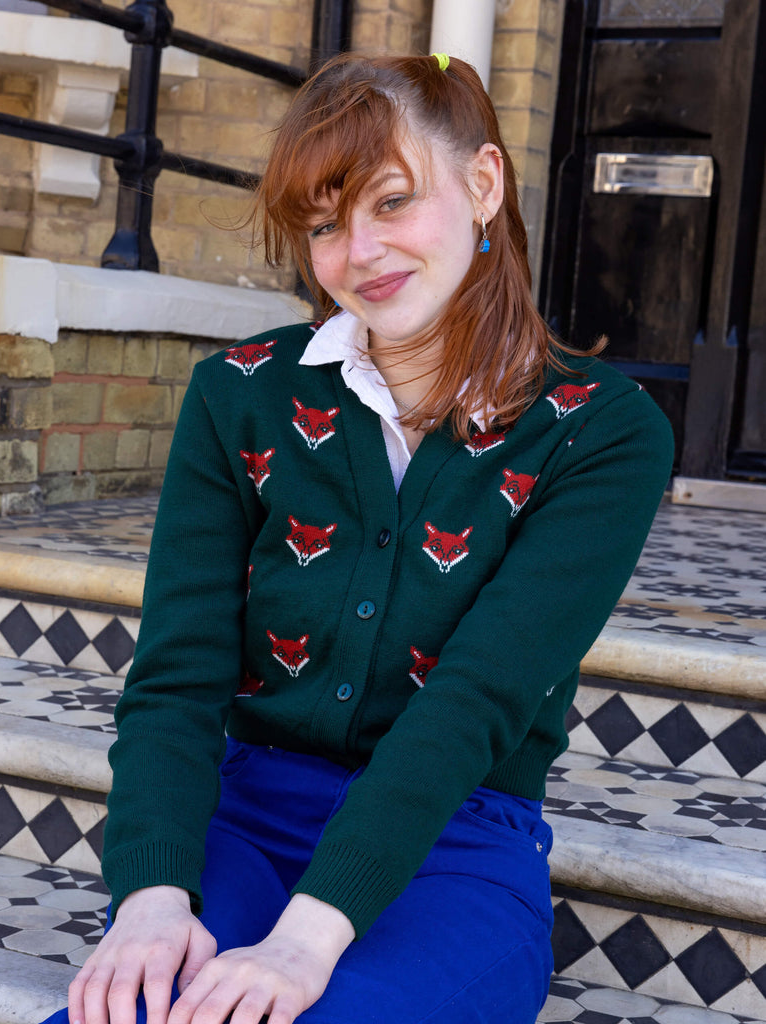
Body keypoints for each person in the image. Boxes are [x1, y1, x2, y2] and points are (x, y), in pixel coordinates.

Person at [46, 52, 673, 1024]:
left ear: (482, 183)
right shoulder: (241, 396)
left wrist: (304, 941)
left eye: (390, 201)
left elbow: (474, 703)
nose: (359, 251)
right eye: (324, 225)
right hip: (242, 816)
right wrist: (151, 897)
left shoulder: (600, 429)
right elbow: (175, 679)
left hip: (456, 842)